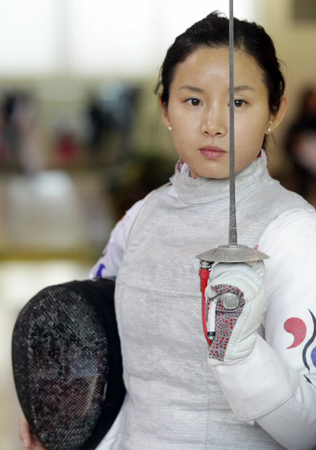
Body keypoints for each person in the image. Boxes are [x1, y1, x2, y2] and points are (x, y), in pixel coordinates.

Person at [20, 11, 316, 450]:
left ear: (275, 111)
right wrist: (53, 413)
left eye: (238, 102)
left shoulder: (294, 231)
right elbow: (92, 335)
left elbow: (307, 432)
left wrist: (242, 356)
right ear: (165, 109)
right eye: (193, 101)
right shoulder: (142, 217)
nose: (214, 123)